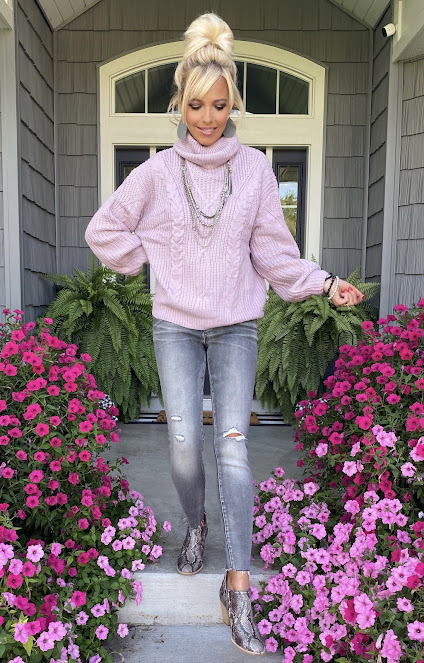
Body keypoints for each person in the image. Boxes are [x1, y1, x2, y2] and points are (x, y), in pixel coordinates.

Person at [85, 12, 364, 655]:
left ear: (233, 102)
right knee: (184, 445)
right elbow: (104, 231)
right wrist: (150, 250)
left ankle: (236, 585)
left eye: (218, 105)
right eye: (195, 106)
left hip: (237, 325)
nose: (207, 118)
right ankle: (195, 524)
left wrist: (323, 284)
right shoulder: (156, 173)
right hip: (175, 326)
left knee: (233, 450)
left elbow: (274, 254)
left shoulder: (257, 171)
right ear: (178, 104)